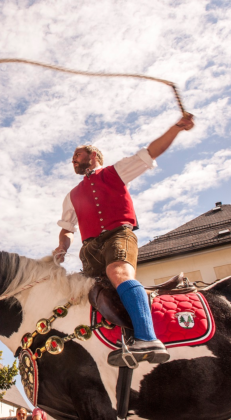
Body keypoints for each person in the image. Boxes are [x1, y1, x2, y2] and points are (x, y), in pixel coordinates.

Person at [53, 115, 194, 366]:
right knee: (88, 294)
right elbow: (67, 229)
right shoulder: (71, 196)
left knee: (117, 272)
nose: (72, 159)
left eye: (77, 154)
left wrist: (177, 128)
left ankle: (148, 338)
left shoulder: (114, 172)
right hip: (89, 249)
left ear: (93, 155)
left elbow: (151, 151)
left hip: (119, 234)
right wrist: (62, 247)